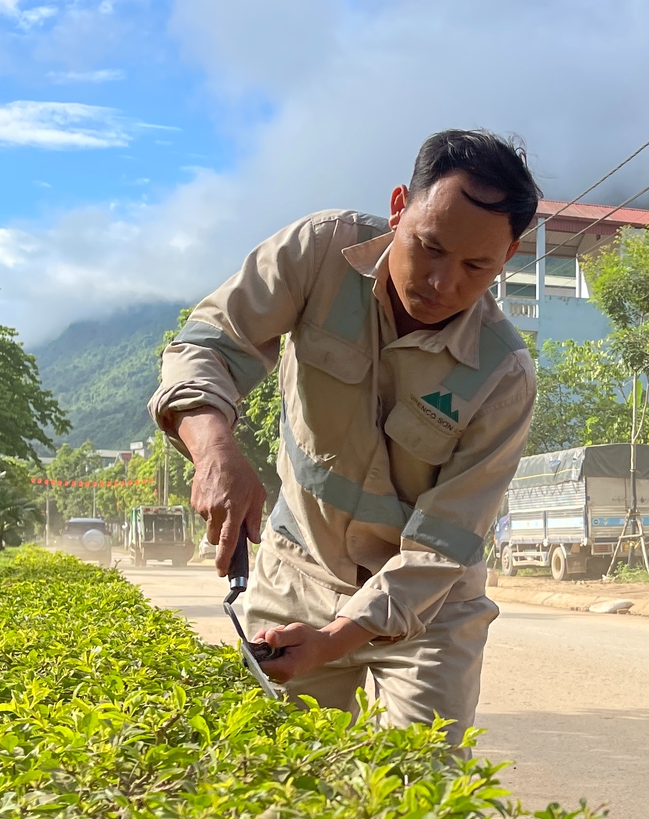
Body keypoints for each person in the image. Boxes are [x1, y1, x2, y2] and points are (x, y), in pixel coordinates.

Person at [150, 130, 539, 741]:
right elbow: (207, 347)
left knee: (422, 793)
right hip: (296, 571)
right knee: (274, 781)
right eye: (429, 247)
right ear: (396, 208)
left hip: (428, 609)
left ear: (509, 256)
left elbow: (442, 546)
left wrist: (334, 639)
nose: (443, 283)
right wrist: (214, 447)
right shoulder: (319, 252)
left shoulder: (503, 376)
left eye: (476, 267)